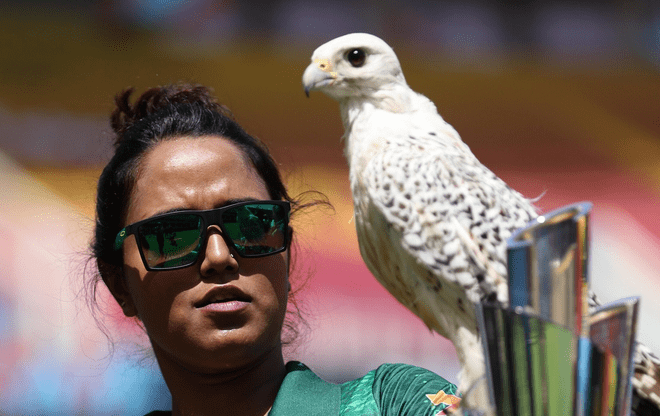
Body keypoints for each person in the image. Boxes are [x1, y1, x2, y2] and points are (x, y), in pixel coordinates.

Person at [89, 82, 460, 415]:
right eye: (171, 235)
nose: (218, 257)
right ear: (119, 284)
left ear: (287, 253)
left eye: (251, 224)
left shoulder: (394, 403)